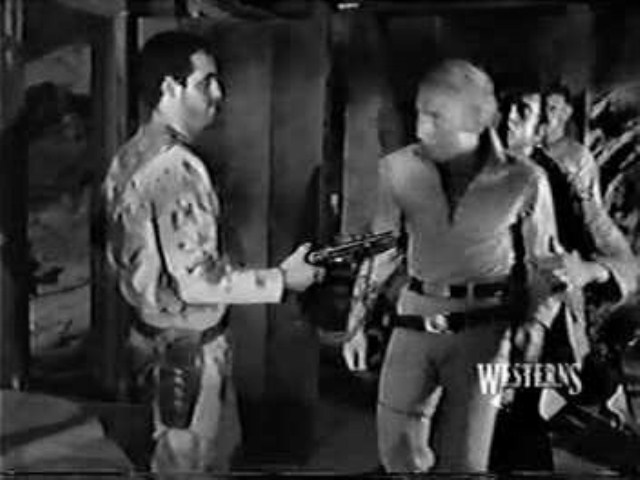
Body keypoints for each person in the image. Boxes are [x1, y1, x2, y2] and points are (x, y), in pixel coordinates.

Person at [102, 31, 324, 473]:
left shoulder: (130, 155)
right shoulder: (177, 168)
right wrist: (283, 280)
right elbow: (197, 282)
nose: (218, 94)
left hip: (152, 336)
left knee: (174, 459)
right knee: (189, 463)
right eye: (206, 82)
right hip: (188, 351)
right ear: (170, 88)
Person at [341, 59, 564, 473]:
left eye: (436, 117)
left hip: (485, 329)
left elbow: (546, 264)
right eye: (420, 114)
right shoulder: (398, 169)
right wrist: (356, 324)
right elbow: (382, 251)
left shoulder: (525, 179)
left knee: (466, 462)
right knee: (397, 451)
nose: (423, 128)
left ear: (475, 118)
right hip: (414, 319)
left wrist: (535, 325)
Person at [492, 85, 637, 472]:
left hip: (530, 336)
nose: (508, 119)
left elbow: (624, 262)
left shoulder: (563, 178)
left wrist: (588, 271)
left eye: (523, 111)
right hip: (457, 331)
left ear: (541, 127)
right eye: (503, 106)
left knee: (517, 434)